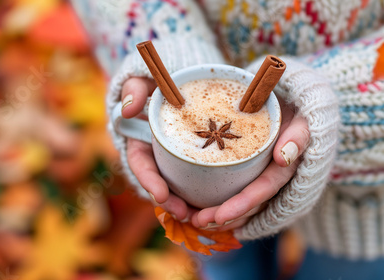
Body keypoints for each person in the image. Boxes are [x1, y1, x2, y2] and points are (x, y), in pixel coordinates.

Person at [71, 0, 384, 279]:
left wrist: (331, 105)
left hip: (363, 202)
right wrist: (170, 41)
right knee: (223, 261)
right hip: (195, 191)